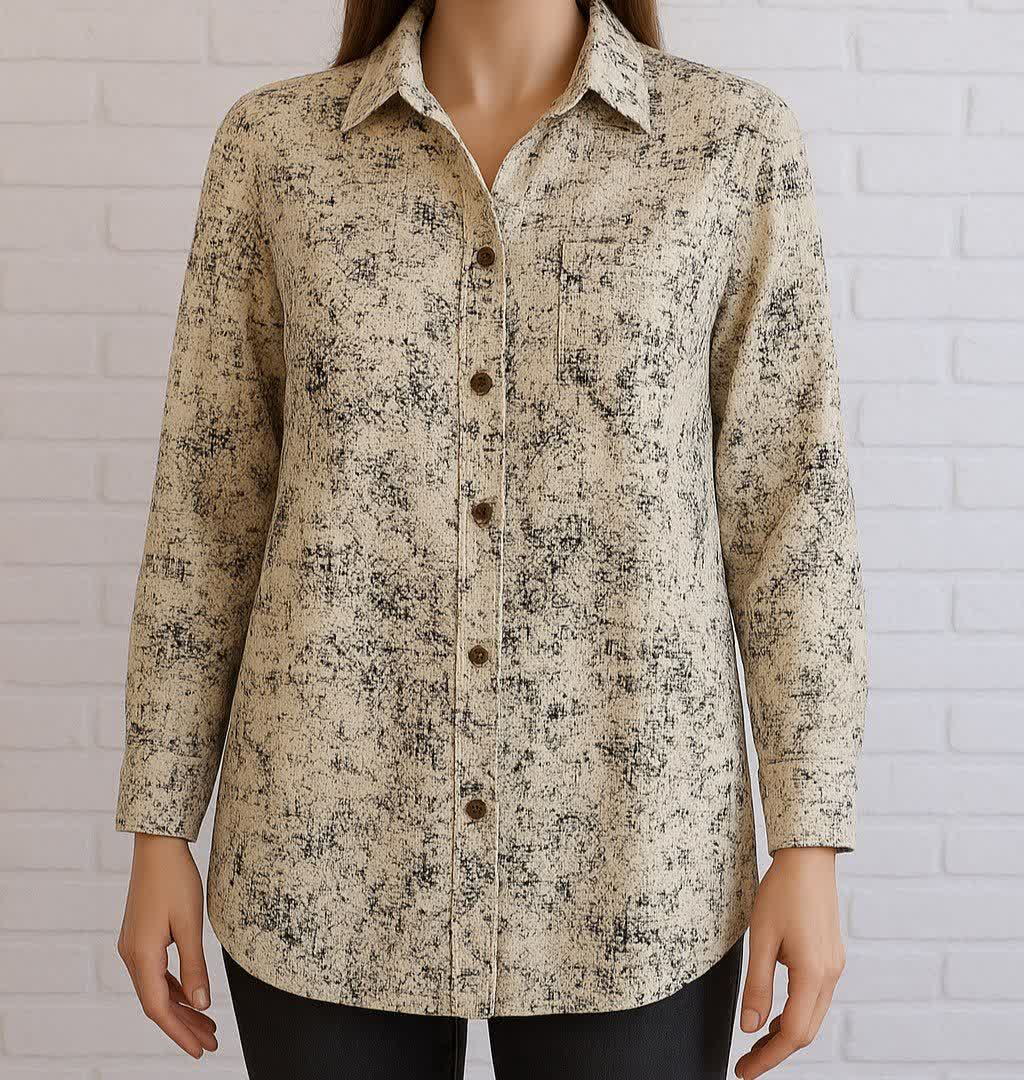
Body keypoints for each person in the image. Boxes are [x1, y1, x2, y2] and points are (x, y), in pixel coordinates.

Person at [113, 0, 868, 1078]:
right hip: (327, 848)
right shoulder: (276, 148)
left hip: (631, 855)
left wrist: (809, 839)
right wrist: (160, 824)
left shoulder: (731, 143)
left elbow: (790, 512)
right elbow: (208, 503)